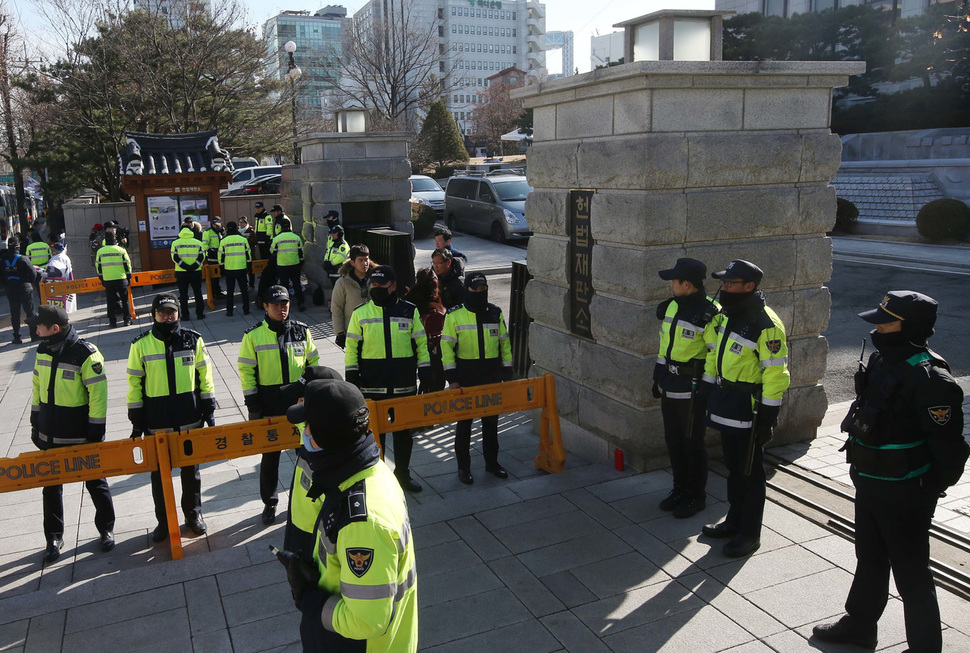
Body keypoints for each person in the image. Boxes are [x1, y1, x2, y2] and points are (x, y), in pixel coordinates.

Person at [813, 291, 967, 653]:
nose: (878, 329)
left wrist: (926, 488)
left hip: (906, 491)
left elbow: (949, 450)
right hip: (869, 480)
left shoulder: (932, 379)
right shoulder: (884, 359)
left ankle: (925, 648)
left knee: (911, 573)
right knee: (869, 556)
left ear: (909, 327)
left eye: (886, 323)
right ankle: (861, 625)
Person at [284, 380, 418, 653]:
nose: (302, 432)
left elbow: (367, 622)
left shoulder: (363, 523)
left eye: (306, 426)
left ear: (324, 439)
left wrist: (309, 600)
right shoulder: (367, 470)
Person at [700, 260, 789, 558]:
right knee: (734, 468)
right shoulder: (730, 315)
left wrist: (767, 417)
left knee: (751, 473)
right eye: (723, 283)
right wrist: (708, 388)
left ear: (749, 286)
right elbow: (716, 352)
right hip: (728, 401)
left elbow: (776, 374)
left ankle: (750, 534)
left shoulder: (766, 324)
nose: (724, 288)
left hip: (749, 408)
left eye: (730, 284)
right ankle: (734, 521)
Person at [29, 305, 115, 562]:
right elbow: (36, 385)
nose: (35, 330)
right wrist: (36, 420)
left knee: (96, 483)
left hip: (80, 435)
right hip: (50, 434)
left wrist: (96, 431)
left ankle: (106, 529)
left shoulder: (86, 354)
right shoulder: (42, 349)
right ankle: (53, 537)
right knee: (51, 488)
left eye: (39, 326)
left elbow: (98, 396)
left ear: (55, 328)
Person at [127, 293, 215, 542]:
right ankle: (164, 521)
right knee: (159, 474)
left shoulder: (193, 340)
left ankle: (193, 515)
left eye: (172, 311)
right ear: (154, 314)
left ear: (178, 312)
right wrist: (137, 418)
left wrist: (208, 407)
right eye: (162, 312)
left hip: (189, 416)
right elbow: (134, 383)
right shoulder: (140, 344)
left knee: (191, 472)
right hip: (157, 420)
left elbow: (205, 375)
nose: (167, 316)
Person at [345, 265, 431, 493]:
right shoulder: (360, 313)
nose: (376, 289)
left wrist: (425, 371)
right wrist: (352, 379)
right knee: (374, 437)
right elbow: (351, 348)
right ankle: (378, 482)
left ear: (393, 287)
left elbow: (421, 344)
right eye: (373, 285)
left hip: (404, 385)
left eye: (381, 286)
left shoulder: (409, 311)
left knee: (404, 435)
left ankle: (403, 475)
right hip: (372, 386)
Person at [238, 285, 319, 524]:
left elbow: (313, 363)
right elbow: (246, 371)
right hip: (269, 405)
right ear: (265, 306)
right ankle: (269, 503)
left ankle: (305, 499)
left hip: (300, 404)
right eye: (275, 305)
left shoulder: (302, 331)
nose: (281, 309)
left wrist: (309, 391)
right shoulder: (253, 336)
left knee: (306, 454)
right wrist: (253, 405)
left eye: (285, 304)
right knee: (270, 457)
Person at [653, 258, 720, 518]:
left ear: (687, 284)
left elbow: (715, 353)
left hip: (692, 387)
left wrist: (706, 386)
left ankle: (696, 496)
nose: (670, 284)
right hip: (669, 383)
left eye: (674, 280)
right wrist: (657, 373)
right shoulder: (672, 306)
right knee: (673, 441)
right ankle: (679, 489)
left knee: (692, 443)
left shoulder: (710, 312)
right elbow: (664, 343)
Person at [441, 272, 513, 485]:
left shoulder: (495, 313)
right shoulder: (454, 315)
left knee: (491, 424)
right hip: (466, 378)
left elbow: (505, 345)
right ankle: (464, 468)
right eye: (475, 290)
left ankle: (492, 463)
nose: (480, 293)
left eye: (483, 289)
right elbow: (447, 348)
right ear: (467, 290)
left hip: (491, 377)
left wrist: (507, 372)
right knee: (464, 425)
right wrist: (452, 378)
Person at [280, 365, 343, 558]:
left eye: (303, 399)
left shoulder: (332, 463)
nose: (298, 402)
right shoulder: (310, 431)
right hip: (299, 532)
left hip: (313, 543)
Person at [404, 268, 446, 394]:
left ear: (417, 281)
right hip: (434, 346)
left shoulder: (411, 299)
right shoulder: (437, 299)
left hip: (414, 345)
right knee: (436, 377)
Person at [331, 244, 372, 350]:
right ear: (352, 262)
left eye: (366, 259)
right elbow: (336, 308)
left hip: (374, 331)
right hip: (353, 332)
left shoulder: (376, 280)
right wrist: (340, 333)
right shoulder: (342, 283)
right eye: (360, 260)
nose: (365, 263)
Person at [2, 236, 38, 344]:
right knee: (30, 311)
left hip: (11, 289)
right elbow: (33, 273)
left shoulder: (3, 260)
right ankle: (33, 335)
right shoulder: (23, 259)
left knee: (15, 313)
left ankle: (16, 337)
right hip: (24, 288)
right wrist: (30, 284)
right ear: (18, 245)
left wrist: (7, 285)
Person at [95, 231, 132, 328]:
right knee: (125, 300)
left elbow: (98, 267)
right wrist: (129, 277)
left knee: (110, 302)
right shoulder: (121, 250)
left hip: (108, 280)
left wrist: (101, 278)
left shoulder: (100, 251)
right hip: (121, 278)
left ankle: (112, 322)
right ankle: (127, 319)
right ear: (114, 239)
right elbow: (127, 264)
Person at [171, 222, 207, 320]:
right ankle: (200, 314)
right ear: (191, 231)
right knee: (198, 293)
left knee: (183, 295)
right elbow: (202, 257)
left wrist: (185, 266)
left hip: (181, 272)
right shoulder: (198, 242)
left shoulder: (175, 243)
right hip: (196, 271)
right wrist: (194, 266)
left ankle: (185, 315)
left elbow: (174, 258)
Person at [218, 221, 252, 317]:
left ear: (227, 229)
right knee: (244, 291)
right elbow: (248, 255)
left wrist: (221, 269)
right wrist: (249, 268)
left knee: (230, 292)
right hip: (241, 268)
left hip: (229, 269)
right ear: (237, 228)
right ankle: (246, 310)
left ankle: (229, 311)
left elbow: (220, 256)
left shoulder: (223, 241)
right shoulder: (243, 239)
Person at [270, 216, 306, 311]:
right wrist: (301, 261)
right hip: (295, 264)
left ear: (281, 227)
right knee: (297, 284)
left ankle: (284, 305)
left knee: (284, 286)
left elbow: (272, 251)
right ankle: (301, 303)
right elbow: (301, 252)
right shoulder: (296, 237)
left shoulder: (277, 238)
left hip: (282, 265)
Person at [43, 242, 77, 314]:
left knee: (60, 305)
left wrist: (46, 274)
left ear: (55, 251)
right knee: (66, 305)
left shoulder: (57, 258)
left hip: (59, 284)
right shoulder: (64, 257)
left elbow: (59, 273)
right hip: (67, 281)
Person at [203, 217, 225, 298]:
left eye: (217, 225)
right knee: (213, 277)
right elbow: (204, 245)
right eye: (214, 225)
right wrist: (211, 250)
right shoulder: (207, 232)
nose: (216, 227)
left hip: (221, 256)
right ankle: (214, 293)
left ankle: (217, 290)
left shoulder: (221, 231)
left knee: (218, 275)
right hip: (212, 257)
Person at [237, 216, 258, 289]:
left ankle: (251, 284)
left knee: (251, 270)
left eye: (242, 222)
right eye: (240, 222)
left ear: (246, 223)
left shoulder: (250, 230)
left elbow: (255, 242)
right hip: (240, 253)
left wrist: (249, 238)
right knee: (243, 270)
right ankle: (244, 284)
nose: (241, 224)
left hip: (250, 252)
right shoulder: (237, 231)